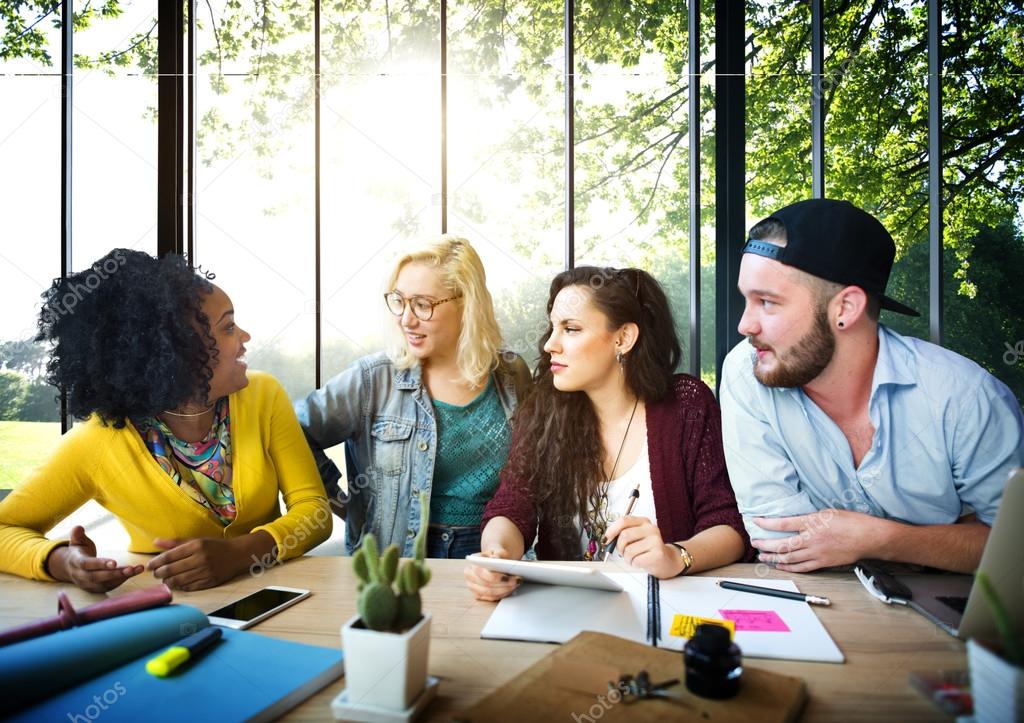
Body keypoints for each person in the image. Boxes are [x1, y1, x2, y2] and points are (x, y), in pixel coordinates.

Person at [720, 198, 1024, 573]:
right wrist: (948, 538)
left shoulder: (965, 397)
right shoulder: (745, 372)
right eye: (746, 299)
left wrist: (882, 539)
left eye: (767, 302)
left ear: (845, 308)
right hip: (819, 607)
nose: (745, 326)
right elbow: (780, 542)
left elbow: (1013, 548)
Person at [0, 249, 331, 592]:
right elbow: (4, 529)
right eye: (228, 327)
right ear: (178, 353)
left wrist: (240, 553)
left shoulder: (263, 395)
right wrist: (64, 562)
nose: (244, 337)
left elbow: (314, 512)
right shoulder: (98, 442)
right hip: (166, 612)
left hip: (274, 602)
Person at [465, 267, 751, 601]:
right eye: (553, 327)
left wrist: (676, 555)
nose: (550, 345)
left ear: (623, 338)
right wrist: (498, 555)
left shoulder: (687, 406)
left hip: (667, 606)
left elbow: (729, 524)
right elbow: (513, 504)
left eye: (570, 329)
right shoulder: (544, 409)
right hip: (567, 607)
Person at [295, 236, 531, 558]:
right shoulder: (372, 379)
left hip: (493, 551)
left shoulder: (511, 373)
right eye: (399, 301)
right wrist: (345, 506)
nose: (406, 318)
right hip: (399, 560)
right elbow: (293, 432)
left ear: (466, 304)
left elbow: (528, 473)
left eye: (423, 304)